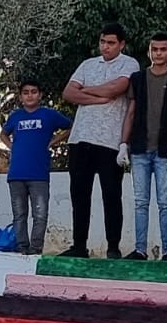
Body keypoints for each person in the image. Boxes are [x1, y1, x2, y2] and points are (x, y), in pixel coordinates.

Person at [59, 23, 141, 259]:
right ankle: (79, 246)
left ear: (121, 44)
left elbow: (117, 88)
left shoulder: (129, 64)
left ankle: (113, 247)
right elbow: (68, 93)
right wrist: (97, 97)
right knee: (79, 195)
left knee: (111, 195)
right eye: (103, 42)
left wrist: (85, 91)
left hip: (110, 141)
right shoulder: (87, 64)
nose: (106, 47)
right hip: (80, 138)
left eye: (111, 43)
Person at [119, 33, 167, 260]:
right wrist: (123, 143)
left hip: (166, 151)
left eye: (162, 49)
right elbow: (131, 112)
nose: (158, 53)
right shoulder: (137, 78)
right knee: (140, 203)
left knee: (165, 204)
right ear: (149, 52)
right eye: (154, 49)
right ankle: (140, 249)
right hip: (139, 150)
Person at [0, 79, 71, 256]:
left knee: (40, 214)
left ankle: (35, 249)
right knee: (19, 214)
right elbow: (3, 134)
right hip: (16, 174)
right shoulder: (15, 116)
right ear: (20, 97)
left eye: (33, 92)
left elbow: (71, 126)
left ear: (40, 95)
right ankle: (21, 247)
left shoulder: (49, 114)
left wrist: (53, 141)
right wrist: (12, 146)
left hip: (39, 174)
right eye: (25, 92)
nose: (29, 95)